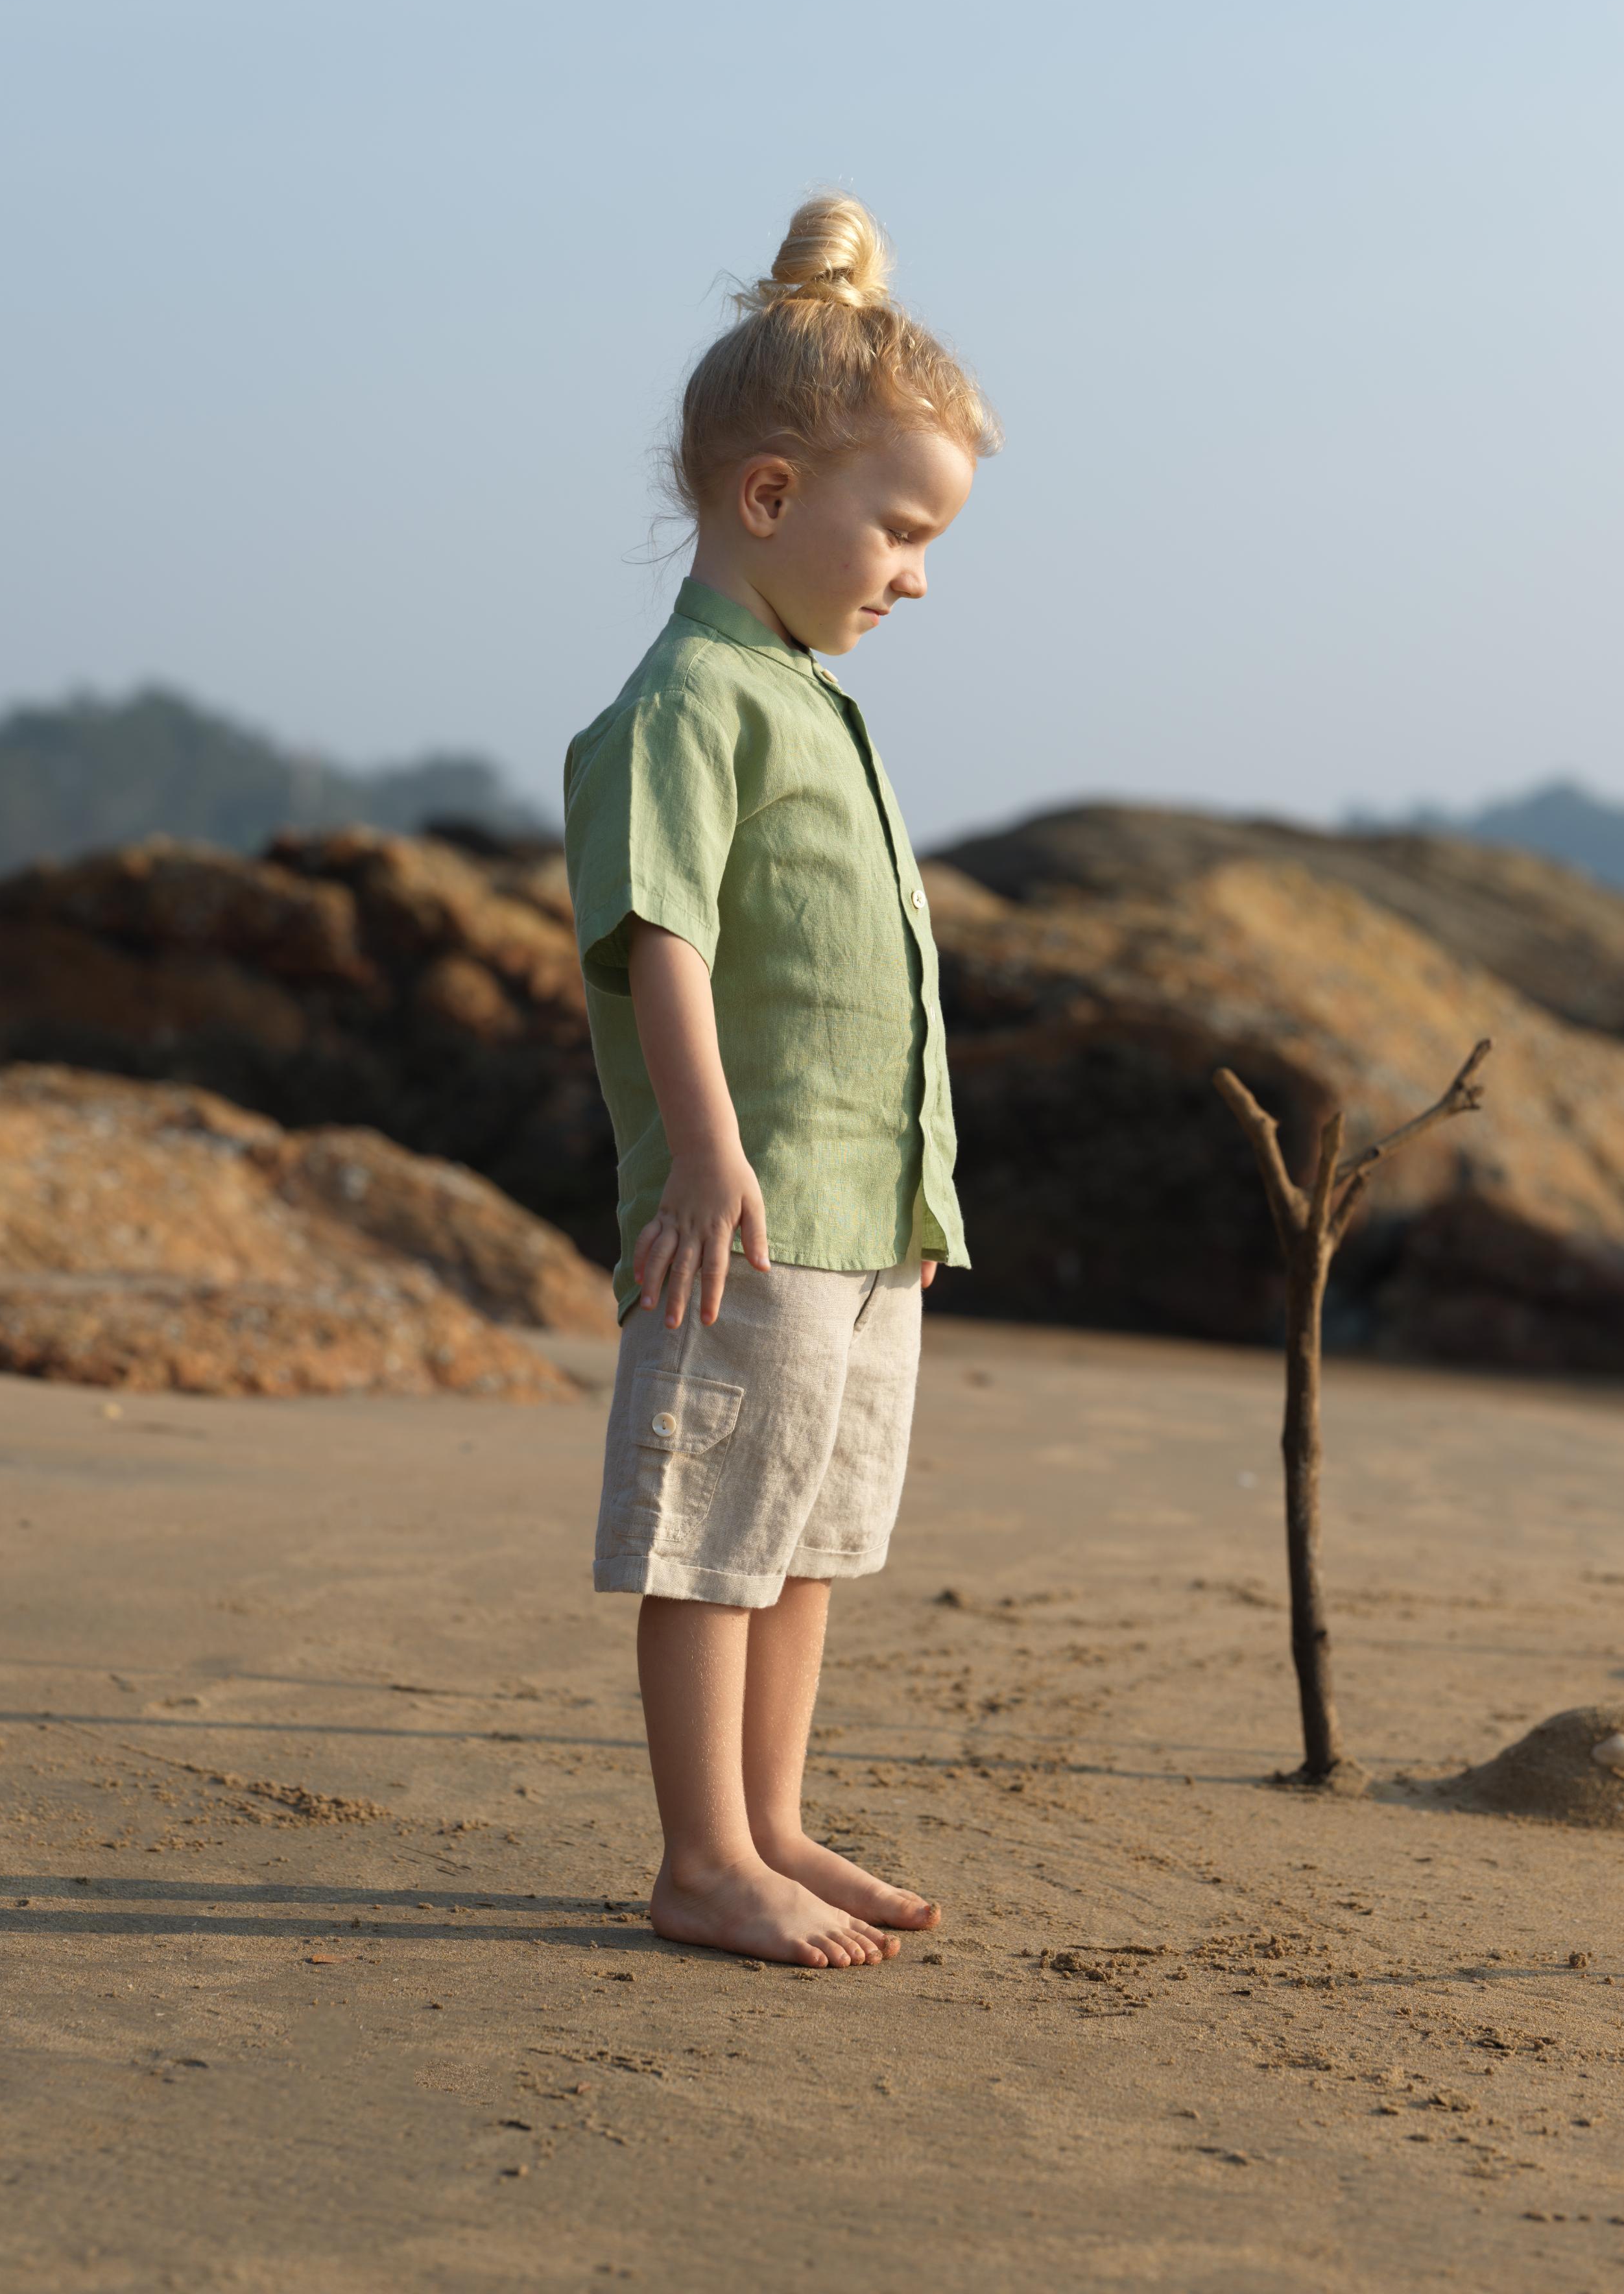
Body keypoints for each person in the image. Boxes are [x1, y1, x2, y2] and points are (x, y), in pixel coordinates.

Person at [562, 195, 999, 1967]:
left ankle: (771, 1818)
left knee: (806, 1531)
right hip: (745, 1210)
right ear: (766, 497)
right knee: (711, 1534)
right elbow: (657, 933)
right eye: (898, 528)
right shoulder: (688, 706)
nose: (913, 571)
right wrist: (704, 1160)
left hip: (859, 1207)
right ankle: (697, 1855)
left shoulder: (809, 694)